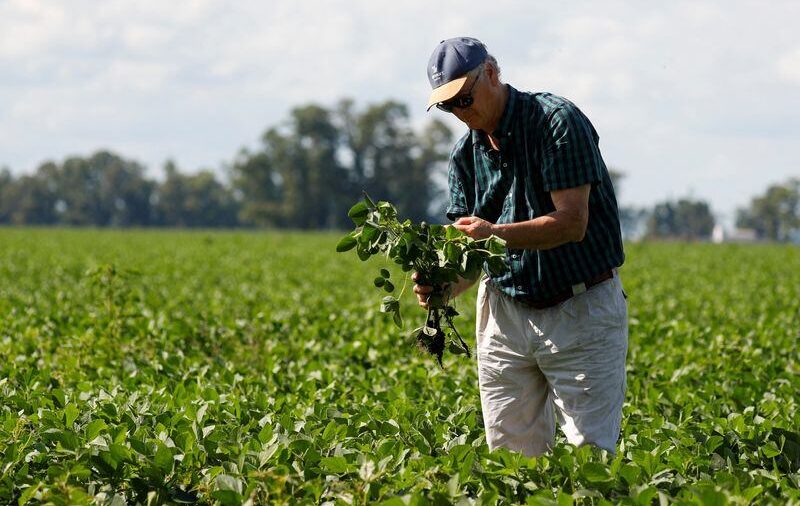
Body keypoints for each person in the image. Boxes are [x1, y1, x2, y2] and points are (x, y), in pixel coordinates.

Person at [413, 37, 628, 457]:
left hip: (579, 307)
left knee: (591, 457)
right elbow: (471, 255)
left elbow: (572, 223)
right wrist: (442, 286)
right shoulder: (463, 157)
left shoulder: (556, 123)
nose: (461, 112)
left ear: (491, 74)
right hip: (504, 312)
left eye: (465, 98)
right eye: (448, 106)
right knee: (511, 461)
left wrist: (494, 233)